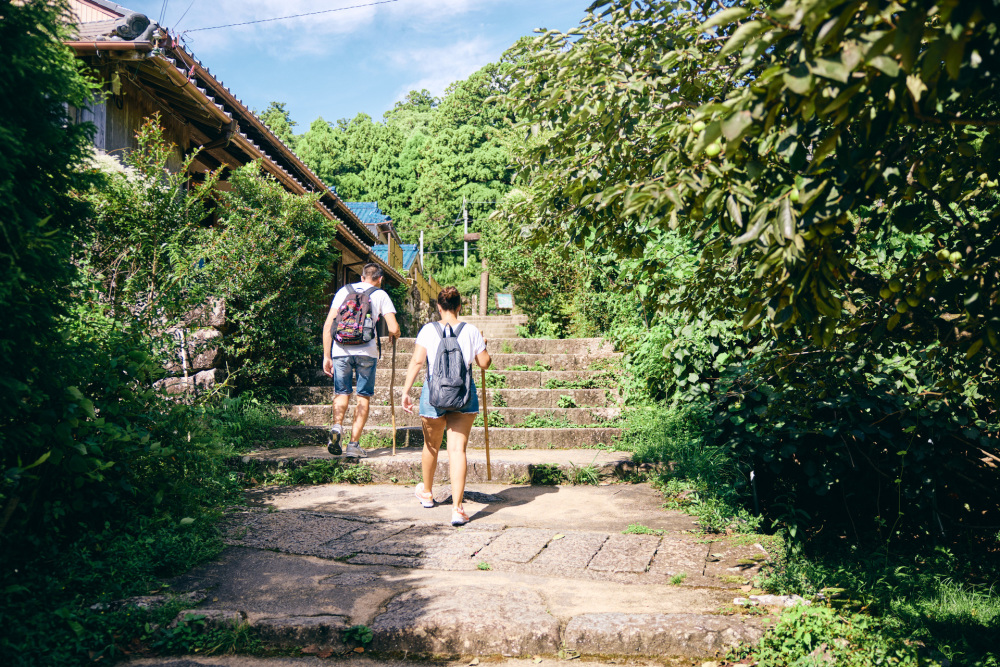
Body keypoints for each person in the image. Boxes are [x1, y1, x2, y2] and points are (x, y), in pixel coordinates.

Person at [400, 286, 491, 526]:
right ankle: (457, 509)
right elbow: (484, 363)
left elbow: (418, 361)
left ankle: (427, 493)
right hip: (464, 395)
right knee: (456, 450)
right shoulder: (471, 330)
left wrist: (406, 391)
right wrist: (483, 344)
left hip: (433, 395)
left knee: (431, 446)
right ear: (460, 306)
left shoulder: (428, 330)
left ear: (438, 307)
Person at [322, 263, 400, 458]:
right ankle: (353, 445)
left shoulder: (343, 291)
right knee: (363, 397)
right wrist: (394, 334)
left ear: (362, 276)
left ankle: (337, 427)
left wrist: (326, 355)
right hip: (367, 352)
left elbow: (328, 325)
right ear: (380, 279)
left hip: (340, 349)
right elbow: (393, 327)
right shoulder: (380, 294)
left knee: (342, 393)